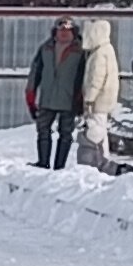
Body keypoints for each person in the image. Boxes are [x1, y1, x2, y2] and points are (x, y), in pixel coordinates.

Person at [25, 17, 83, 169]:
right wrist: (30, 95)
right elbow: (35, 71)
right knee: (43, 130)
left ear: (73, 32)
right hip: (47, 97)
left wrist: (81, 99)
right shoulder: (46, 48)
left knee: (66, 133)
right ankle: (43, 162)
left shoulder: (80, 51)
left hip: (69, 98)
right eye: (61, 30)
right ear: (55, 31)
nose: (63, 33)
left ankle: (59, 166)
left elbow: (85, 76)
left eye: (67, 30)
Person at [74, 13, 121, 167]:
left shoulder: (100, 54)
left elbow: (96, 79)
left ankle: (99, 159)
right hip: (105, 99)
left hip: (99, 100)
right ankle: (102, 158)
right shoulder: (107, 50)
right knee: (101, 128)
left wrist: (89, 99)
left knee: (96, 129)